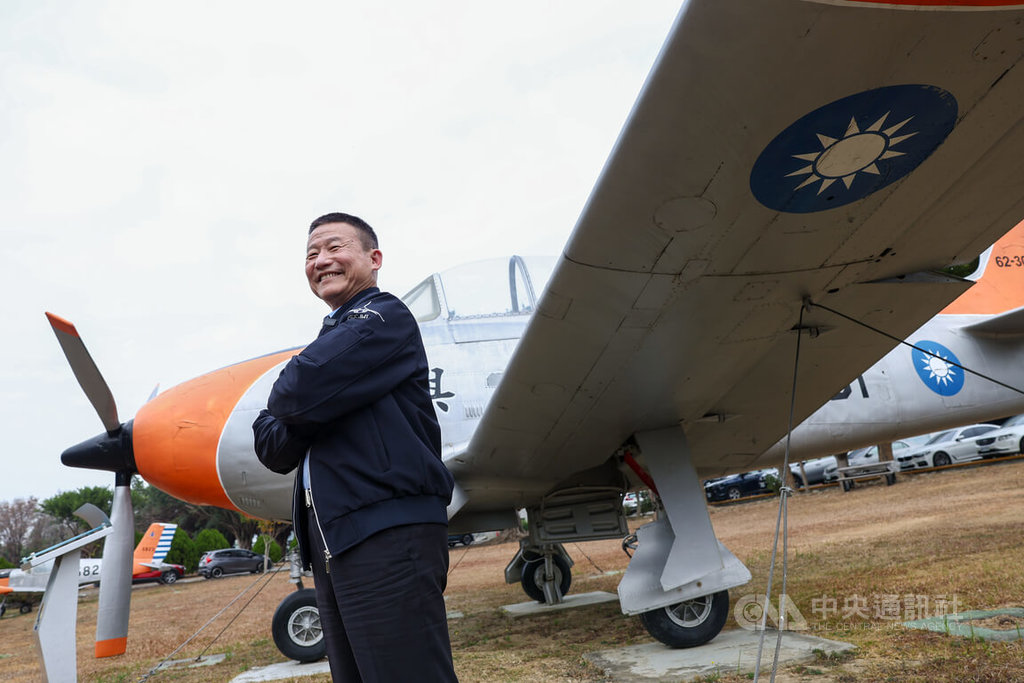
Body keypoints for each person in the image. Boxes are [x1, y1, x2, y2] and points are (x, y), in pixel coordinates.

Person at [252, 212, 458, 682]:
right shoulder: (336, 340)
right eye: (311, 254)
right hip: (335, 546)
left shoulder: (384, 316)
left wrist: (302, 397)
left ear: (374, 258)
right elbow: (272, 447)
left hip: (387, 535)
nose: (321, 260)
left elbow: (290, 392)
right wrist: (307, 396)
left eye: (334, 247)